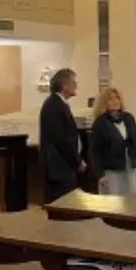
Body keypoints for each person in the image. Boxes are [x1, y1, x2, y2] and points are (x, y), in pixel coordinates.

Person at [39, 68, 84, 203]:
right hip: (58, 169)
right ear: (64, 85)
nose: (76, 85)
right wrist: (77, 161)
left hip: (63, 167)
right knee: (62, 207)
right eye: (73, 82)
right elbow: (61, 140)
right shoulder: (54, 105)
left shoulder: (59, 104)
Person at [90, 87, 136, 195]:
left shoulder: (128, 118)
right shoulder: (100, 123)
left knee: (132, 199)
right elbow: (94, 151)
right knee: (113, 202)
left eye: (117, 98)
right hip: (111, 169)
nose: (115, 101)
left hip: (130, 166)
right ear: (104, 103)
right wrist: (99, 174)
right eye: (111, 99)